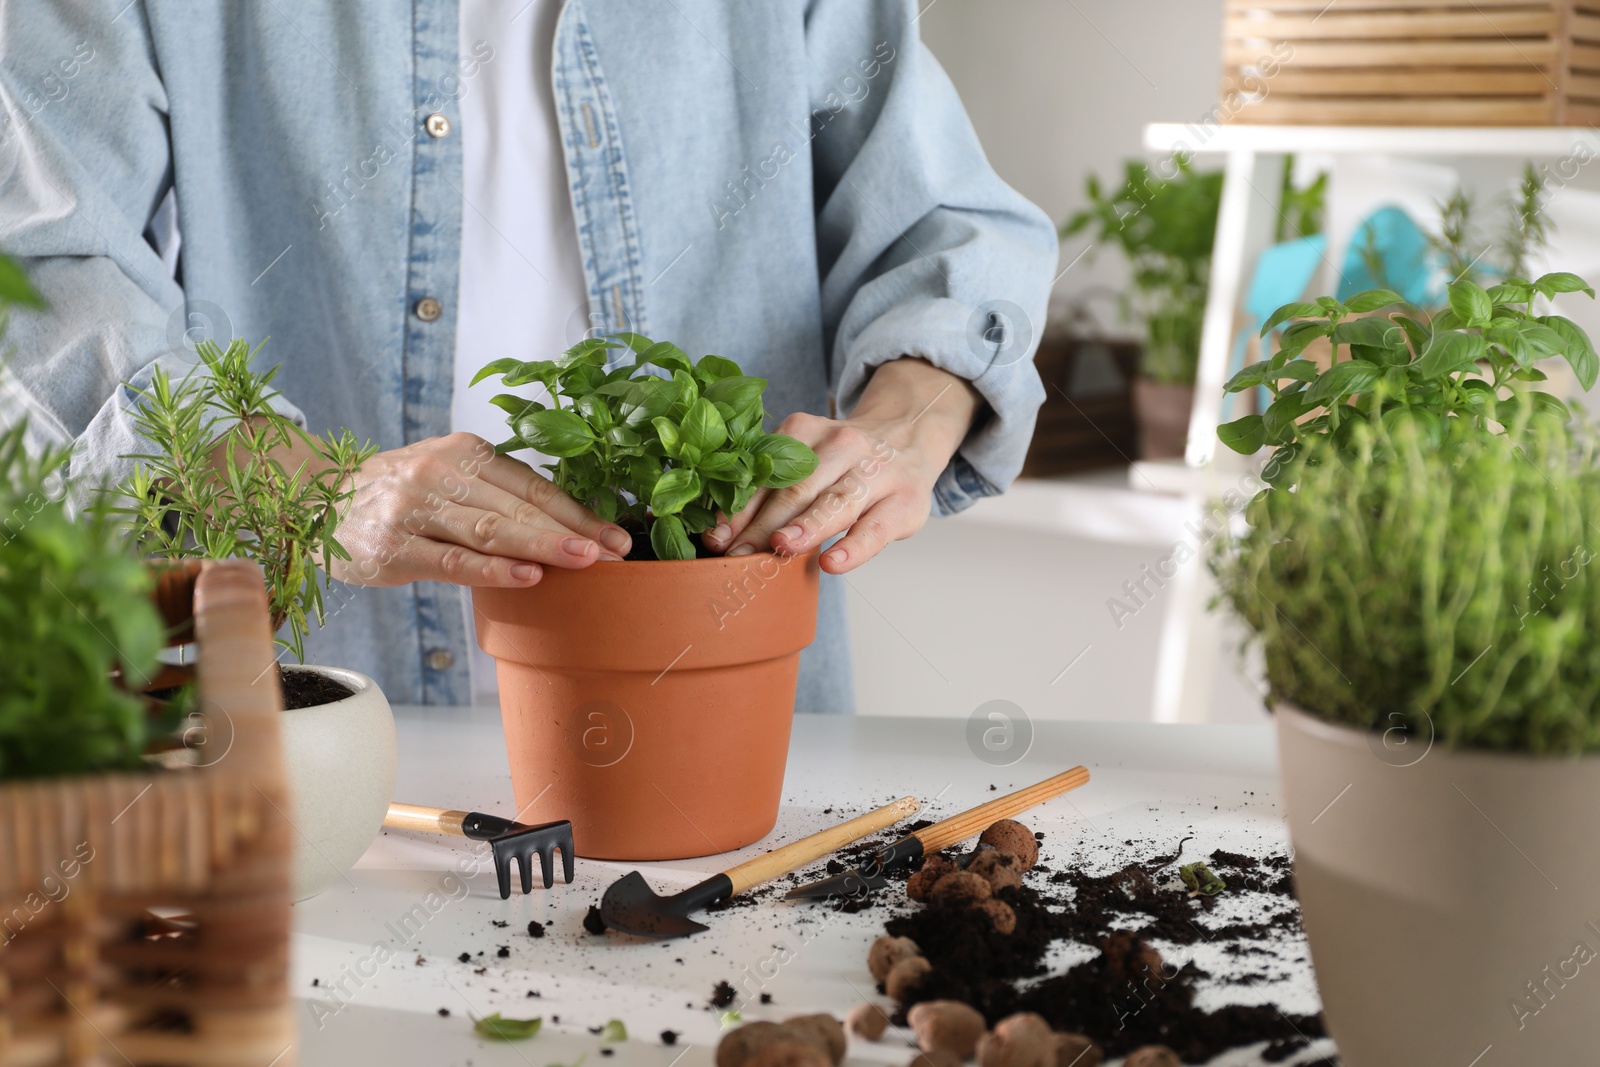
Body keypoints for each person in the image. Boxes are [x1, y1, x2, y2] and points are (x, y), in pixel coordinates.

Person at [1, 1, 1056, 710]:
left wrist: (906, 421)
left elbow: (940, 223)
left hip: (723, 709)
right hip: (321, 716)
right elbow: (45, 268)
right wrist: (313, 497)